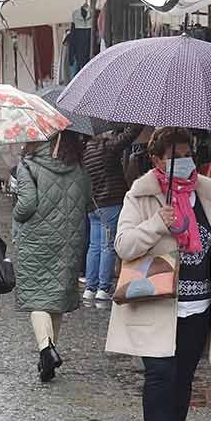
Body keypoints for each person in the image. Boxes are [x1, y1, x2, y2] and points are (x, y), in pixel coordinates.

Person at [106, 127, 211, 421]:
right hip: (157, 302)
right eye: (174, 155)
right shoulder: (142, 194)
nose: (183, 161)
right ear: (156, 159)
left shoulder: (208, 195)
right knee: (160, 376)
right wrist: (157, 224)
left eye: (187, 153)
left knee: (183, 379)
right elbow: (124, 245)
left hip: (199, 304)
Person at [13, 130, 92, 382]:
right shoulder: (78, 166)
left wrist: (15, 212)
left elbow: (26, 206)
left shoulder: (28, 163)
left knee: (38, 298)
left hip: (36, 239)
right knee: (56, 296)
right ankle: (47, 355)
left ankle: (46, 349)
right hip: (69, 239)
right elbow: (87, 200)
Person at [80, 124, 143, 303]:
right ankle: (103, 288)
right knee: (108, 246)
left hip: (93, 206)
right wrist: (138, 118)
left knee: (94, 246)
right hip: (110, 203)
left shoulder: (84, 151)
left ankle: (90, 288)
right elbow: (129, 135)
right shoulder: (105, 147)